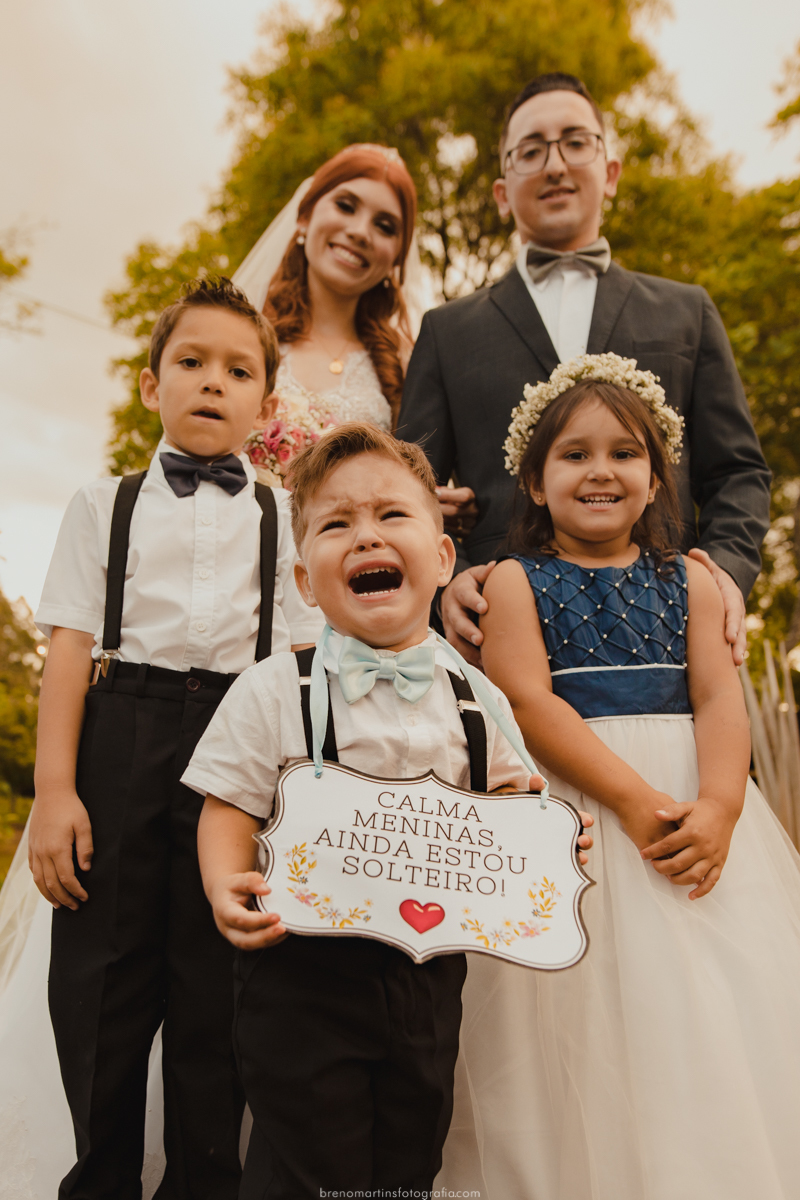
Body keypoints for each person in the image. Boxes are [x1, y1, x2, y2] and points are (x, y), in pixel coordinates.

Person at [180, 422, 593, 1198]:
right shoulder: (277, 687)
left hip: (426, 978)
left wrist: (544, 840)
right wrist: (222, 883)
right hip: (299, 971)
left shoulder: (477, 695)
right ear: (307, 580)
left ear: (441, 559)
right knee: (307, 1158)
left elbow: (509, 795)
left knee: (411, 1145)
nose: (365, 534)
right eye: (337, 524)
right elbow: (228, 805)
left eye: (391, 515)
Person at [436, 354, 800, 1200]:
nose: (601, 470)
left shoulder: (695, 582)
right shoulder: (519, 583)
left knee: (705, 1011)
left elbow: (718, 698)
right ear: (532, 479)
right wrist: (638, 804)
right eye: (574, 454)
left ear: (655, 477)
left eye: (624, 453)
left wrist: (717, 806)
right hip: (584, 819)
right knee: (573, 1023)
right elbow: (527, 702)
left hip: (698, 812)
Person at [0, 278, 325, 1199]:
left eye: (237, 370)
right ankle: (99, 1177)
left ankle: (203, 1182)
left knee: (217, 990)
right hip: (121, 736)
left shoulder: (281, 516)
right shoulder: (101, 504)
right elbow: (67, 652)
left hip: (239, 748)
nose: (211, 383)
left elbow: (301, 672)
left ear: (265, 404)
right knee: (100, 981)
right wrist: (54, 792)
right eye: (190, 363)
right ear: (151, 385)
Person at [398, 72, 771, 668]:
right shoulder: (447, 330)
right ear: (501, 192)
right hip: (499, 635)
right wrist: (450, 583)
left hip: (670, 628)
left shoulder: (687, 310)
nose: (554, 164)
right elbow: (407, 487)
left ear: (610, 172)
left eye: (576, 142)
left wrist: (722, 574)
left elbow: (739, 473)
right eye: (531, 150)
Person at [232, 143, 423, 487]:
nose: (360, 232)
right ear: (304, 215)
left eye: (385, 226)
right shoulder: (242, 337)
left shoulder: (405, 365)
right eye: (346, 206)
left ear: (397, 256)